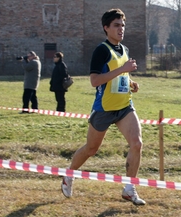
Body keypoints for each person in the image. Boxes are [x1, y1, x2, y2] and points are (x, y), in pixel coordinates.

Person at [61, 8, 146, 205]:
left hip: (124, 106)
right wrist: (123, 70)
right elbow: (95, 81)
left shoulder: (124, 50)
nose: (121, 29)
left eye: (123, 25)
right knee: (91, 149)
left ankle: (129, 188)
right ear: (106, 28)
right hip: (104, 108)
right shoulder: (101, 50)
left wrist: (130, 82)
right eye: (116, 25)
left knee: (137, 143)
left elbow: (120, 75)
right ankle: (69, 174)